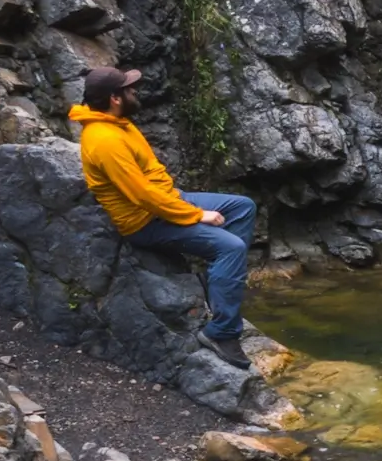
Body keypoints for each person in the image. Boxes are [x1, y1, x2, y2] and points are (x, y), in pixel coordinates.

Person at [69, 66, 257, 366]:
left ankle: (218, 285)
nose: (136, 93)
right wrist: (196, 215)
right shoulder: (104, 140)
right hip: (145, 221)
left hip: (167, 199)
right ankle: (221, 331)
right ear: (115, 98)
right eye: (130, 90)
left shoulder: (115, 122)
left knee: (242, 206)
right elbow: (142, 195)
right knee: (230, 248)